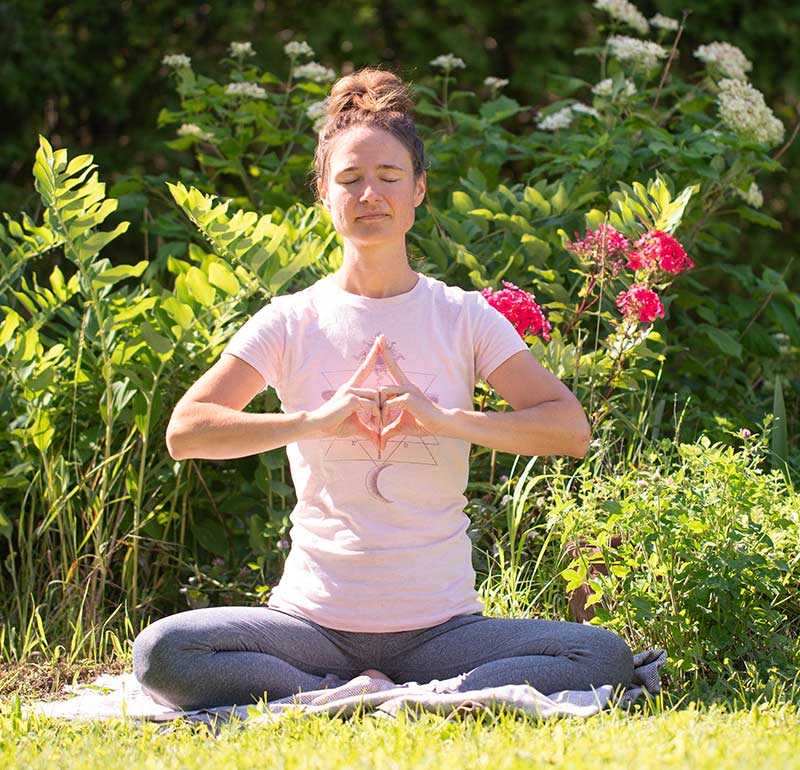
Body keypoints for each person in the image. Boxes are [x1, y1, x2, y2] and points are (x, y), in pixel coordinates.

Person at [133, 67, 634, 710]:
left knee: (600, 655)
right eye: (349, 179)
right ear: (324, 193)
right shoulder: (290, 319)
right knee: (164, 652)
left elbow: (569, 430)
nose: (370, 193)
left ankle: (377, 695)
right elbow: (187, 432)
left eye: (389, 176)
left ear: (418, 189)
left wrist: (443, 418)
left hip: (443, 630)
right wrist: (316, 421)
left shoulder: (464, 316)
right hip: (311, 625)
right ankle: (376, 696)